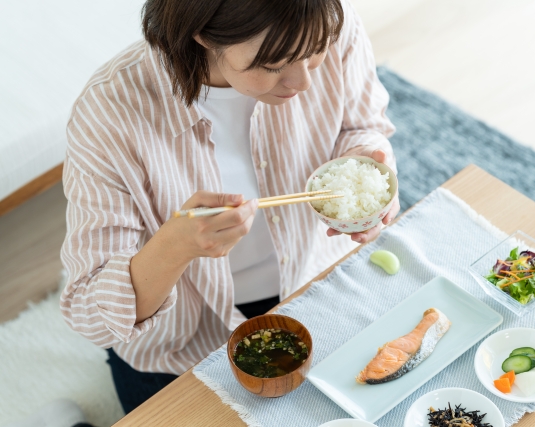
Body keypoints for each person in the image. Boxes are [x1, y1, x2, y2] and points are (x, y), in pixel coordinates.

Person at [59, 0, 398, 415]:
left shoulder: (321, 20)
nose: (303, 81)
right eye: (274, 65)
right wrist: (174, 247)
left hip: (315, 289)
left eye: (315, 53)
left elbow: (362, 126)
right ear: (202, 32)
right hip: (180, 347)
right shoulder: (108, 113)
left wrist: (366, 165)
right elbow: (88, 311)